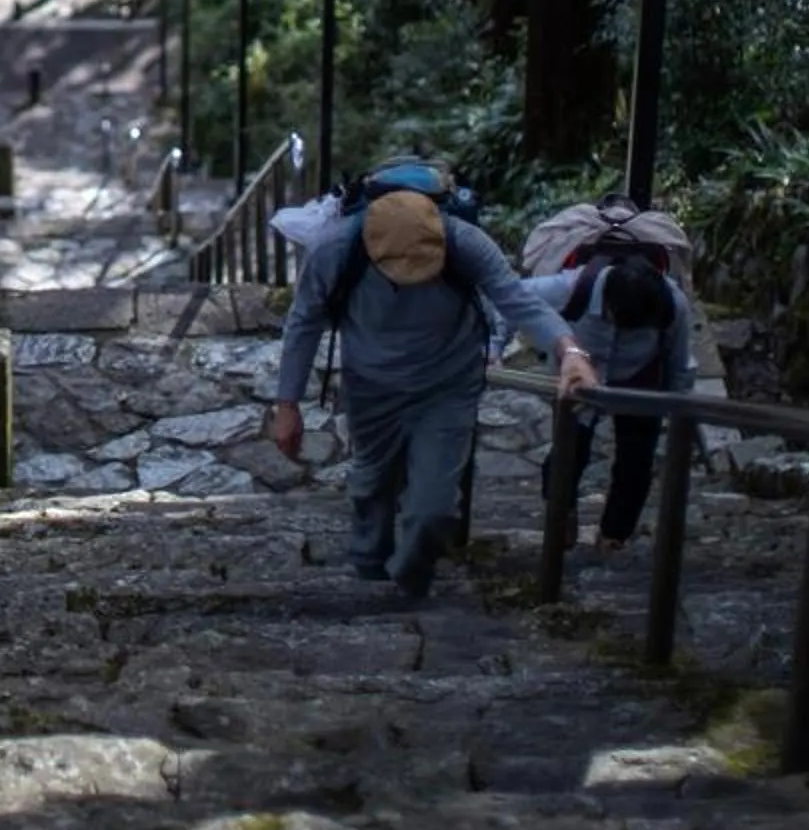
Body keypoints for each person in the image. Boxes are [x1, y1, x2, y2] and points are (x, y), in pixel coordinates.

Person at [270, 189, 594, 598]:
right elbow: (303, 322)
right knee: (372, 482)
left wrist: (571, 352)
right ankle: (370, 567)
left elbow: (516, 300)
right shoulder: (335, 249)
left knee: (436, 504)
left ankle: (411, 578)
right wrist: (287, 404)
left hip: (448, 384)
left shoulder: (465, 242)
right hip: (371, 383)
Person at [524, 262, 697, 553]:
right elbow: (509, 297)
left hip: (641, 376)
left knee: (636, 460)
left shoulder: (673, 303)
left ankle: (614, 535)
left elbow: (680, 359)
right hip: (579, 380)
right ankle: (561, 517)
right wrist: (493, 347)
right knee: (568, 452)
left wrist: (678, 406)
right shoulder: (570, 288)